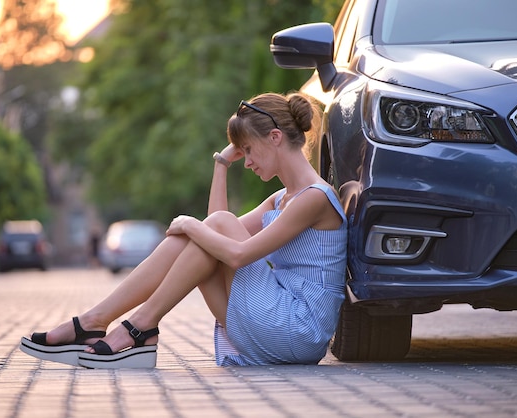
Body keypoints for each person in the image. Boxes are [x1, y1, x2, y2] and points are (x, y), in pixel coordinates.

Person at [20, 92, 348, 368]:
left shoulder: (315, 198)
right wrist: (221, 164)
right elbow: (216, 235)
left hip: (298, 329)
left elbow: (236, 253)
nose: (246, 161)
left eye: (248, 149)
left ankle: (136, 326)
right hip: (270, 323)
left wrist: (188, 223)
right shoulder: (281, 199)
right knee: (206, 236)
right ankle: (102, 322)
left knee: (208, 231)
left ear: (275, 138)